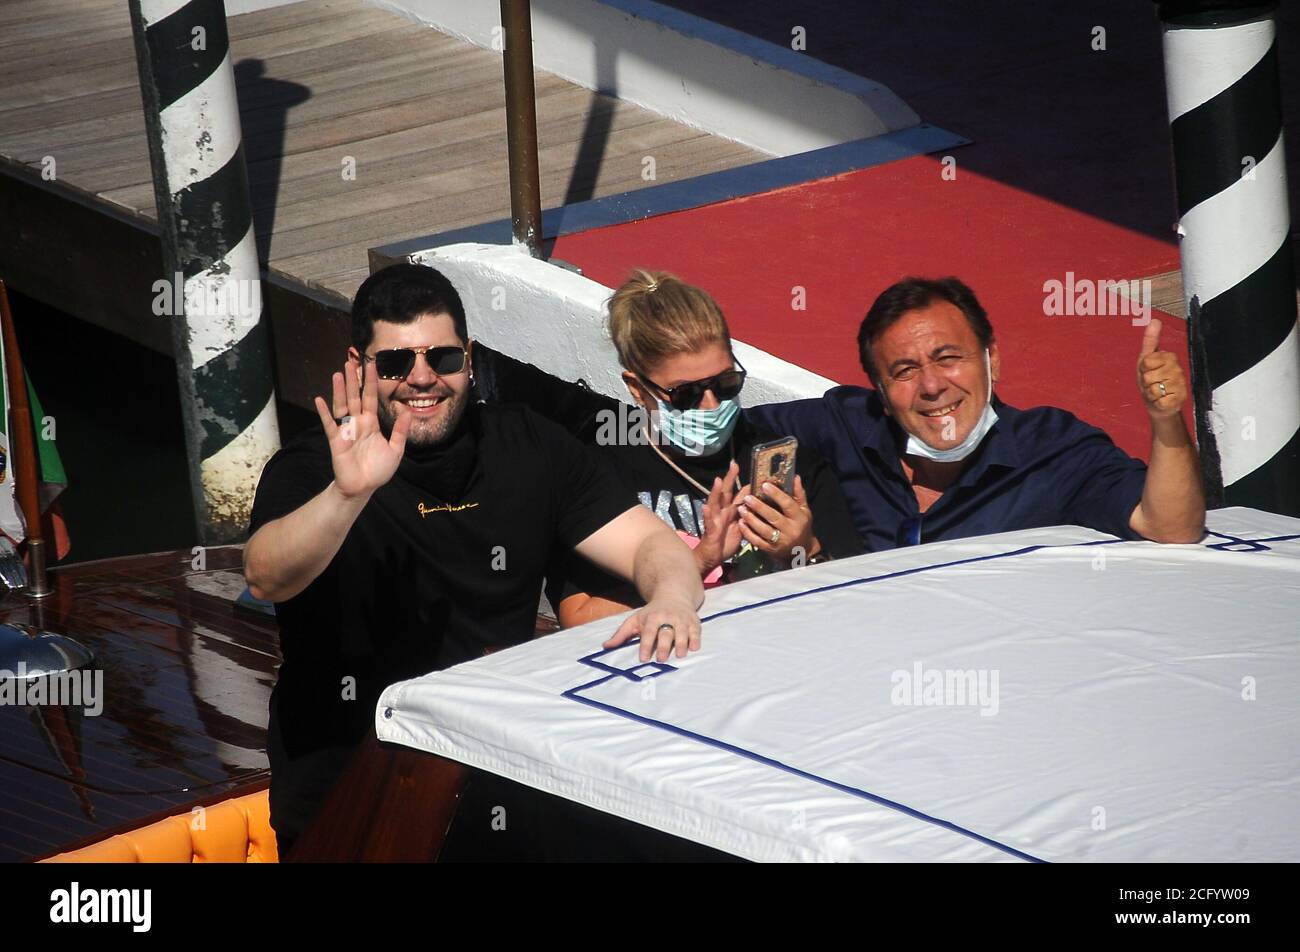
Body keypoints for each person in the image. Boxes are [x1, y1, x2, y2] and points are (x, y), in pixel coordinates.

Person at [243, 263, 705, 856]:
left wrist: (668, 598)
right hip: (354, 792)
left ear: (470, 357)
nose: (422, 379)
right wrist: (348, 495)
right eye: (395, 364)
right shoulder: (315, 468)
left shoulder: (530, 444)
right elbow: (265, 576)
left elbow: (650, 544)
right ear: (358, 367)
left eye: (443, 358)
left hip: (494, 780)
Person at [747, 276, 1205, 550]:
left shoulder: (1053, 451)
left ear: (992, 359)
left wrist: (1166, 421)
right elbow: (721, 427)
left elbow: (1170, 525)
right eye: (905, 370)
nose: (931, 385)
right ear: (882, 394)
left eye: (949, 358)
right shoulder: (844, 425)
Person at [542, 271, 863, 628]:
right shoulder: (599, 475)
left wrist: (806, 550)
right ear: (636, 388)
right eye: (686, 394)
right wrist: (696, 563)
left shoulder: (790, 463)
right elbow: (578, 619)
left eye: (725, 383)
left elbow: (859, 600)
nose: (711, 406)